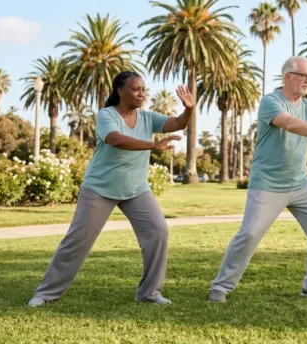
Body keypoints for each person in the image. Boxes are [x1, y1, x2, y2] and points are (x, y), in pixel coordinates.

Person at [27, 71, 195, 307]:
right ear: (120, 90)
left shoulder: (147, 117)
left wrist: (188, 109)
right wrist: (153, 145)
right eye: (136, 89)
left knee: (158, 232)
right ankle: (45, 293)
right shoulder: (107, 115)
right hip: (99, 189)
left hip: (136, 189)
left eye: (143, 90)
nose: (141, 94)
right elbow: (116, 140)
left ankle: (149, 293)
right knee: (77, 240)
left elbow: (178, 123)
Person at [208, 56, 307, 303]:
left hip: (300, 183)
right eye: (303, 75)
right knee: (249, 234)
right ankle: (220, 287)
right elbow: (291, 124)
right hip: (267, 184)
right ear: (288, 76)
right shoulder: (271, 101)